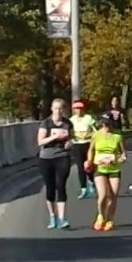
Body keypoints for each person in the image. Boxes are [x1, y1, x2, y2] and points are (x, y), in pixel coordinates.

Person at [36, 98, 74, 229]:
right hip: (46, 158)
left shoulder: (67, 123)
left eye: (60, 108)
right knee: (50, 188)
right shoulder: (46, 123)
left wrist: (69, 143)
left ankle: (62, 218)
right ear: (52, 109)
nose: (58, 111)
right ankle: (52, 216)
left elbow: (71, 139)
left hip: (62, 156)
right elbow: (40, 142)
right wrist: (54, 137)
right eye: (56, 108)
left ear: (64, 110)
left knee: (61, 185)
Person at [88, 115, 127, 230]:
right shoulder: (96, 135)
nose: (106, 126)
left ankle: (109, 219)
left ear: (112, 123)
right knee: (103, 195)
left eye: (108, 124)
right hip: (100, 169)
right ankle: (100, 215)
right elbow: (91, 149)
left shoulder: (117, 136)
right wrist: (89, 161)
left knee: (113, 196)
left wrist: (116, 159)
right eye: (104, 124)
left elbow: (123, 154)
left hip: (114, 169)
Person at [69, 99, 98, 199]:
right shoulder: (71, 120)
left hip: (88, 144)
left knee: (89, 165)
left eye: (80, 108)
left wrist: (89, 135)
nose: (79, 110)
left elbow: (95, 131)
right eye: (77, 108)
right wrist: (75, 136)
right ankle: (83, 189)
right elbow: (70, 133)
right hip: (77, 145)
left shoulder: (88, 118)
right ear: (74, 110)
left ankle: (91, 181)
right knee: (80, 167)